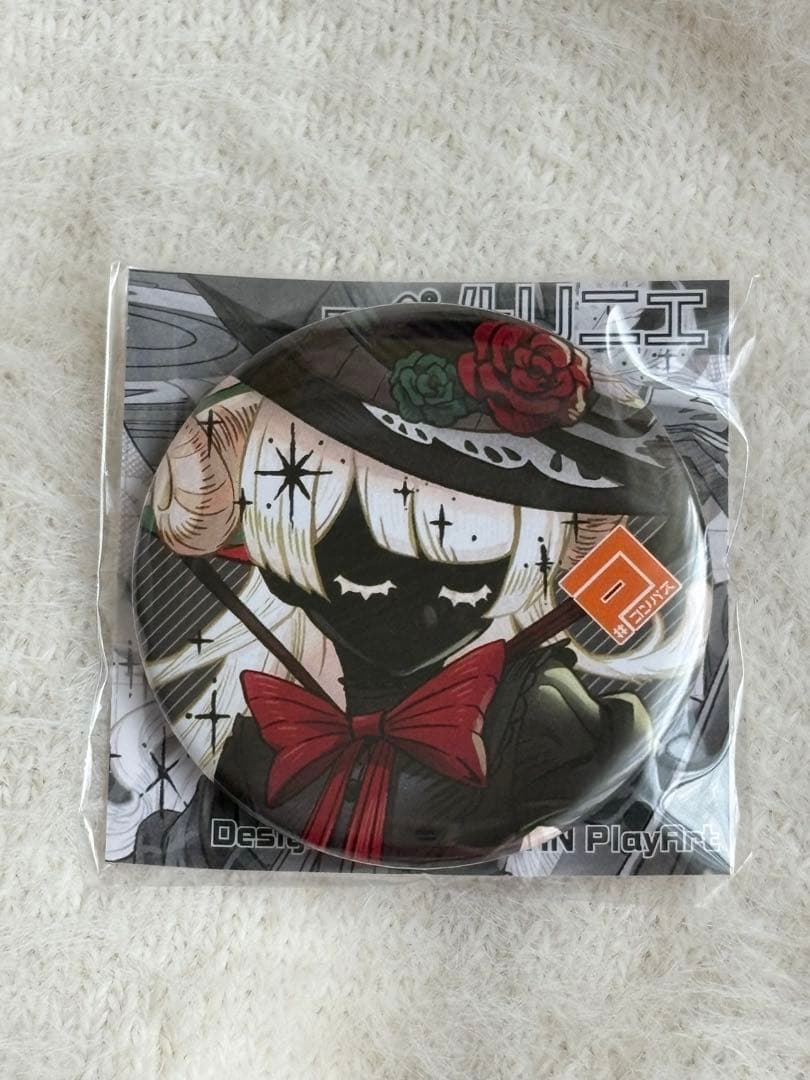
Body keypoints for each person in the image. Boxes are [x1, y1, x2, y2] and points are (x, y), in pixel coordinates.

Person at [133, 302, 705, 868]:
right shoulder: (263, 739)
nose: (420, 606)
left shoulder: (548, 723)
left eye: (467, 583)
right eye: (363, 576)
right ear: (282, 570)